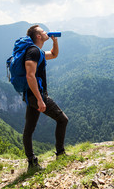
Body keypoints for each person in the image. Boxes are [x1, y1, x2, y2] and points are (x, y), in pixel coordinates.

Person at [23, 25, 69, 171]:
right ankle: (60, 153)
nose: (45, 32)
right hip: (36, 95)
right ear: (38, 36)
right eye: (42, 31)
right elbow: (30, 75)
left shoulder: (38, 52)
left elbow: (54, 54)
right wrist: (40, 99)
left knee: (29, 129)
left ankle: (32, 162)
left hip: (32, 96)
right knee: (62, 119)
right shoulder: (33, 52)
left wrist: (55, 41)